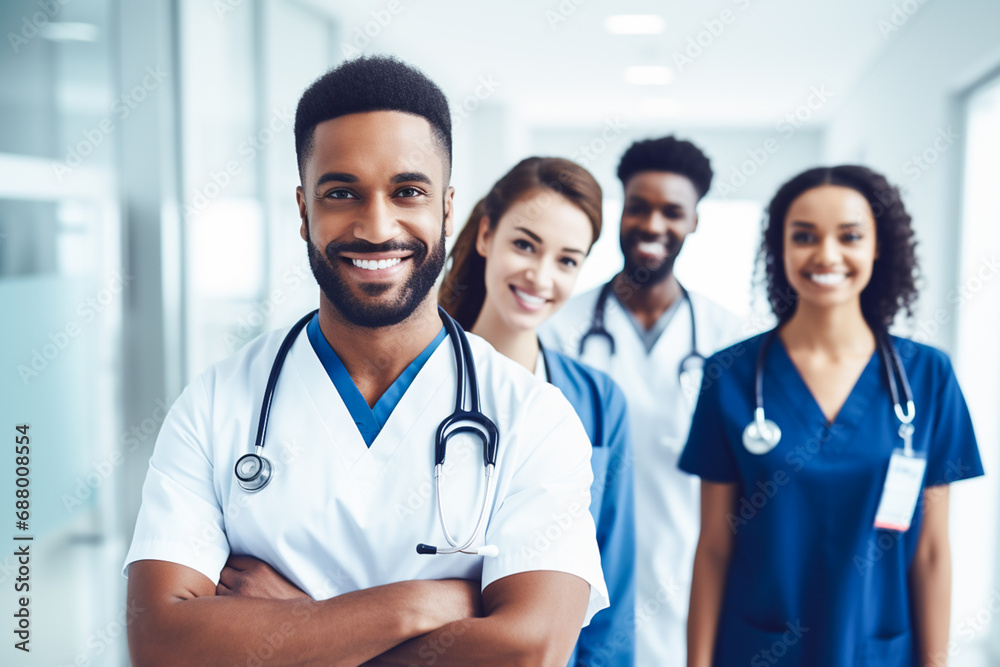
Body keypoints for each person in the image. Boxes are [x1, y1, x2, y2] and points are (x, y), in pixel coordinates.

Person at [123, 56, 608, 667]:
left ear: (448, 208)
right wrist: (422, 605)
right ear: (303, 211)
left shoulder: (532, 415)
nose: (377, 228)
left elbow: (528, 651)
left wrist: (301, 626)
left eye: (407, 191)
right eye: (341, 192)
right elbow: (161, 644)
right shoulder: (216, 403)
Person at [680, 165, 984, 666]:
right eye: (804, 236)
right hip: (759, 648)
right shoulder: (730, 375)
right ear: (780, 248)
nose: (826, 255)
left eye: (850, 236)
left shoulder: (928, 376)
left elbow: (931, 552)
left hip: (879, 651)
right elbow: (713, 546)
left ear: (878, 246)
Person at [541, 136, 742, 665]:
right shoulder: (561, 328)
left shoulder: (728, 341)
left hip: (689, 591)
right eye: (639, 207)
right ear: (620, 209)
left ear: (694, 220)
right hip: (583, 587)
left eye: (672, 211)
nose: (653, 224)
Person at [440, 156, 636, 666]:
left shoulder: (598, 401)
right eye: (525, 245)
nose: (541, 276)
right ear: (486, 235)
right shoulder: (411, 380)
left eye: (567, 260)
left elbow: (612, 582)